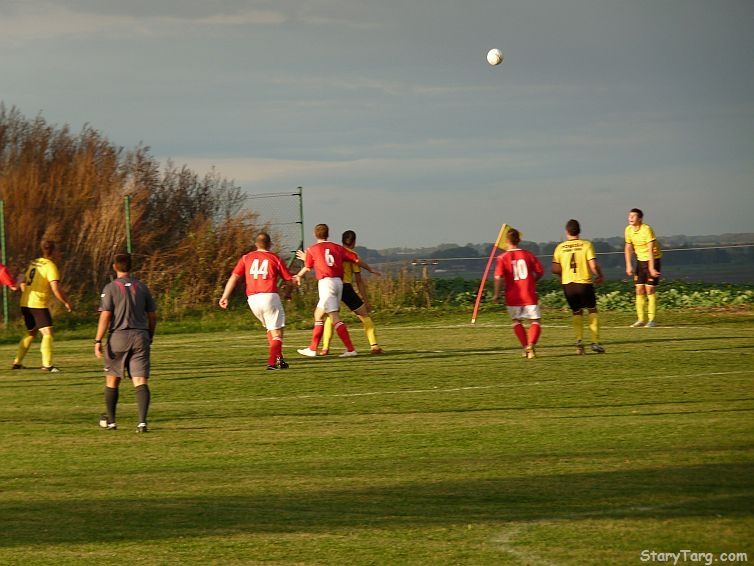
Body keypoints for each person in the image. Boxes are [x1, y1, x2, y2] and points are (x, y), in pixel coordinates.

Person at [294, 223, 380, 358]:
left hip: (326, 283)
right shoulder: (337, 248)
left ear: (314, 234)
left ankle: (350, 349)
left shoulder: (312, 249)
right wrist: (370, 269)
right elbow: (356, 260)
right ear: (328, 234)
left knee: (333, 317)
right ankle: (313, 348)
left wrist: (299, 275)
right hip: (338, 283)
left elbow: (309, 266)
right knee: (319, 315)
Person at [94, 253, 156, 433]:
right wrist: (149, 335)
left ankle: (112, 422)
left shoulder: (111, 288)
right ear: (131, 267)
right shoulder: (142, 287)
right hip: (140, 336)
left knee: (112, 380)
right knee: (140, 380)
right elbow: (152, 316)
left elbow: (106, 315)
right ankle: (142, 423)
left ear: (115, 267)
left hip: (118, 337)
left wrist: (98, 339)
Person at [219, 232, 296, 370]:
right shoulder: (275, 258)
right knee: (278, 331)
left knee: (270, 328)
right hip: (269, 296)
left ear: (256, 244)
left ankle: (279, 359)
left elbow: (234, 277)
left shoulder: (246, 258)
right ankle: (273, 362)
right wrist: (288, 294)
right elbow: (290, 280)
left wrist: (225, 296)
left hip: (253, 299)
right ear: (270, 244)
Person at [12, 240, 73, 372]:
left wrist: (26, 292)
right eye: (57, 250)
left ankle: (17, 362)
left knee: (31, 332)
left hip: (25, 303)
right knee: (47, 333)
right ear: (54, 251)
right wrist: (66, 302)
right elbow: (55, 289)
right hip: (37, 304)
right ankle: (47, 365)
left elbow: (23, 280)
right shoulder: (50, 266)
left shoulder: (35, 262)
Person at [552, 219, 606, 355]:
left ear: (567, 232)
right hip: (584, 283)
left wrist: (562, 277)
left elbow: (554, 268)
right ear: (579, 231)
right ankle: (595, 342)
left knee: (577, 312)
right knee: (592, 310)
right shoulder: (586, 245)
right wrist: (599, 275)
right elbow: (593, 266)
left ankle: (579, 342)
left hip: (568, 284)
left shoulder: (560, 248)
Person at [491, 228, 544, 359]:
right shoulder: (528, 255)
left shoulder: (502, 257)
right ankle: (531, 345)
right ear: (519, 240)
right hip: (529, 293)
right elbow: (540, 272)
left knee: (516, 321)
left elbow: (498, 277)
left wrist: (496, 294)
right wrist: (532, 281)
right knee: (535, 321)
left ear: (506, 241)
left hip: (512, 295)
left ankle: (526, 347)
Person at [624, 208, 662, 327]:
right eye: (629, 216)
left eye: (633, 216)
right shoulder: (628, 230)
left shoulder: (647, 229)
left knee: (649, 289)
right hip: (640, 261)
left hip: (653, 260)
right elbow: (628, 248)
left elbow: (650, 249)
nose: (630, 218)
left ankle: (651, 320)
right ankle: (640, 319)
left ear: (639, 218)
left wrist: (651, 267)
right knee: (639, 289)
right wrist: (628, 265)